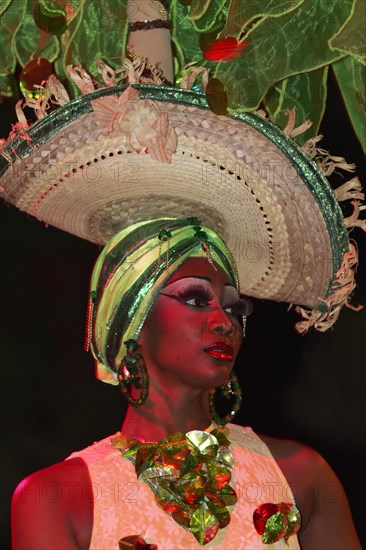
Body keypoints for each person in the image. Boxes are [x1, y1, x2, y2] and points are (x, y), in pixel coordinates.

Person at [9, 217, 361, 549]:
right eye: (195, 299)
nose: (224, 321)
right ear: (133, 320)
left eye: (233, 307)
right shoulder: (56, 498)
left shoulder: (300, 473)